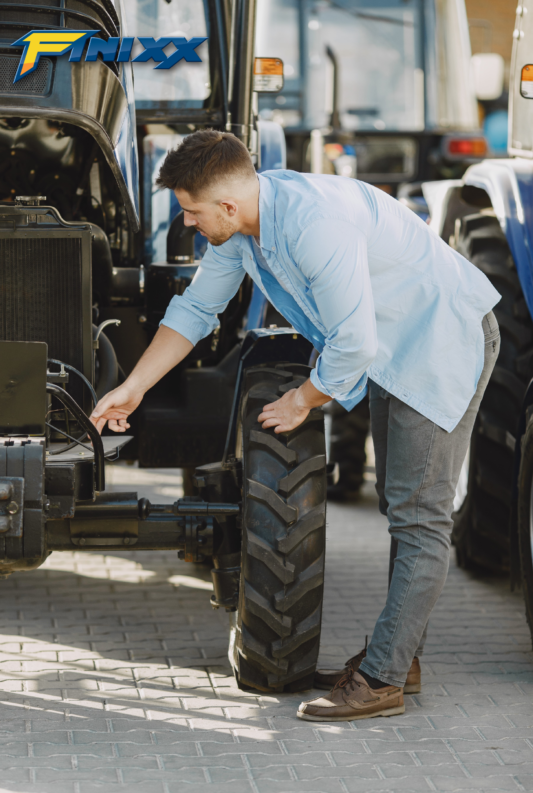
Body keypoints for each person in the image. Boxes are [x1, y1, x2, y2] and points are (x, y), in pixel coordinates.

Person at [90, 130, 501, 722]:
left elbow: (353, 342)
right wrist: (134, 385)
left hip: (441, 337)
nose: (188, 224)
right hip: (392, 348)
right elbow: (196, 309)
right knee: (400, 505)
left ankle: (383, 679)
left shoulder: (312, 226)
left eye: (191, 212)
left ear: (226, 206)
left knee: (419, 516)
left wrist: (303, 400)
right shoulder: (246, 226)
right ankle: (399, 655)